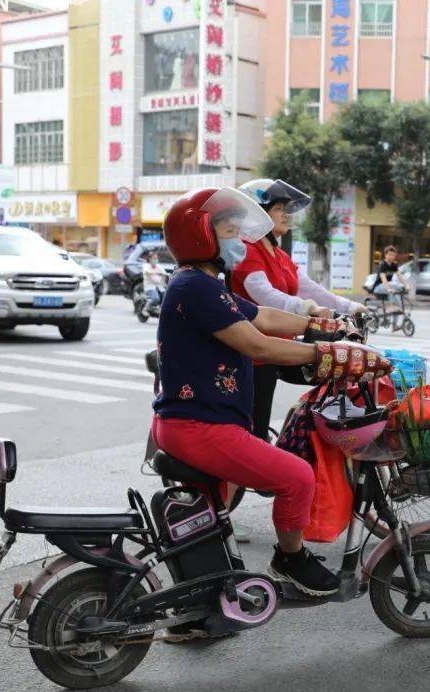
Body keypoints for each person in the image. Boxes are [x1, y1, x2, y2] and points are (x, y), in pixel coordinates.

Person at [152, 186, 390, 597]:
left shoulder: (205, 285)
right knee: (297, 476)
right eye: (228, 229)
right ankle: (291, 560)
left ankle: (201, 602)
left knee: (212, 517)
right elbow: (257, 344)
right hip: (201, 426)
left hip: (200, 422)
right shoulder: (195, 287)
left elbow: (262, 315)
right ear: (200, 235)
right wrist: (324, 353)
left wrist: (319, 325)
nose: (238, 239)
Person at [231, 178, 367, 441]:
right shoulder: (247, 251)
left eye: (285, 209)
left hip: (278, 346)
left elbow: (309, 287)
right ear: (258, 214)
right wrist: (307, 309)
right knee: (254, 427)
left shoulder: (279, 255)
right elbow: (264, 295)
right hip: (253, 353)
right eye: (278, 209)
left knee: (331, 372)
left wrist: (349, 306)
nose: (285, 215)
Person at [371, 245, 409, 312]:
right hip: (378, 288)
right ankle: (390, 306)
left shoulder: (393, 265)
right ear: (385, 255)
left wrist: (406, 285)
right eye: (390, 254)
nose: (391, 256)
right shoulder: (382, 265)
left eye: (393, 255)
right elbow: (383, 278)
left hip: (389, 287)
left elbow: (400, 276)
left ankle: (394, 321)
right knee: (392, 284)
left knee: (398, 301)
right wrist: (388, 288)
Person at [139, 252, 168, 319]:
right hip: (150, 287)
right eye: (154, 258)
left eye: (156, 258)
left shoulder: (159, 267)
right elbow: (153, 277)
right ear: (149, 259)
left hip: (160, 287)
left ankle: (160, 310)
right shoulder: (146, 267)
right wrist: (159, 274)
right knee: (156, 298)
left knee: (166, 298)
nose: (156, 260)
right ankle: (145, 309)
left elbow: (164, 274)